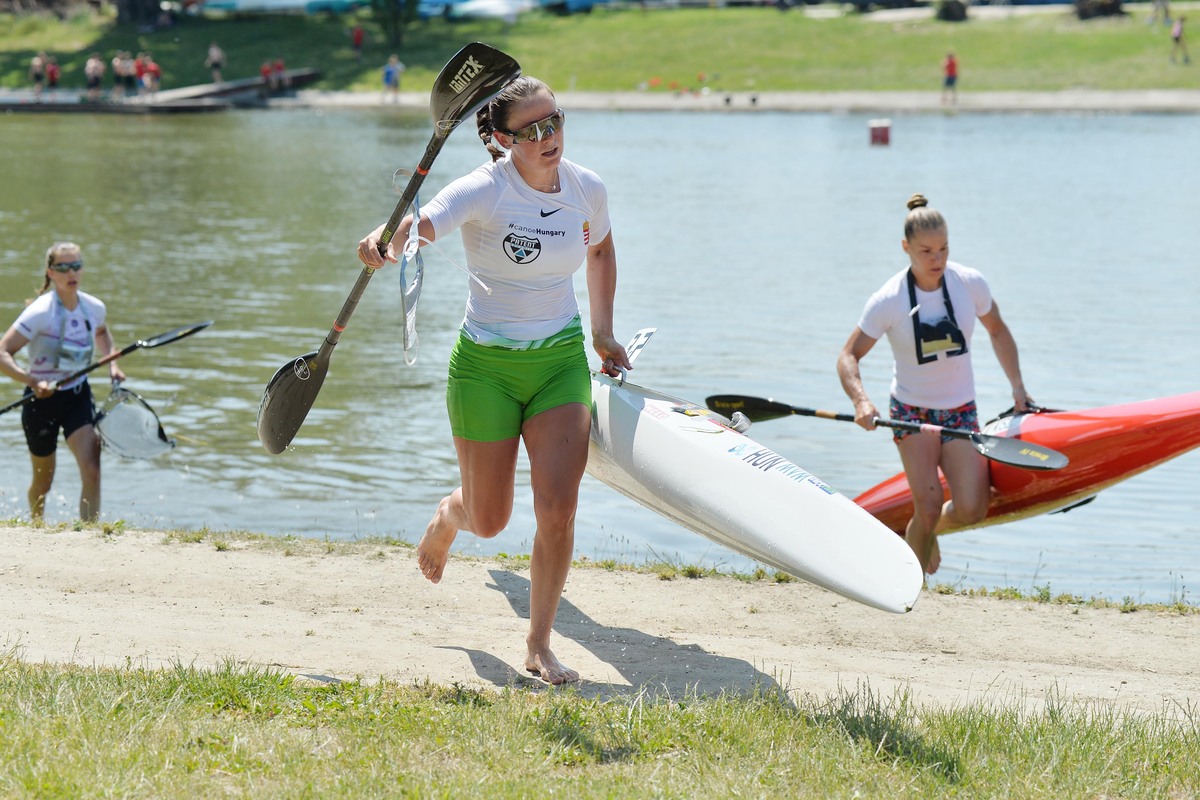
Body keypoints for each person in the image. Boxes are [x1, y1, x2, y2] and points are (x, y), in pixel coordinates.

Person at [355, 76, 630, 685]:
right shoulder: (484, 189)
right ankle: (449, 519)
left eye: (555, 120)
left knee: (558, 509)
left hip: (558, 361)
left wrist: (603, 333)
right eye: (531, 130)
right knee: (490, 519)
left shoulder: (587, 189)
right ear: (504, 140)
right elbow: (421, 224)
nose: (549, 136)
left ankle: (538, 643)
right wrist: (386, 241)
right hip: (486, 368)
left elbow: (602, 252)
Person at [836, 195, 1033, 576]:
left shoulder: (969, 284)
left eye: (943, 249)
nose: (937, 259)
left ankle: (919, 530)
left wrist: (1018, 389)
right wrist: (862, 400)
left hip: (960, 411)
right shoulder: (888, 299)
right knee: (927, 505)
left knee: (973, 509)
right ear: (905, 247)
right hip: (911, 412)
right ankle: (906, 589)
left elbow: (998, 330)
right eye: (926, 251)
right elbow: (848, 356)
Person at [0, 243, 126, 523]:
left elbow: (103, 334)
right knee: (43, 483)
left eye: (77, 265)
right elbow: (2, 353)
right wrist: (32, 380)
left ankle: (89, 534)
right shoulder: (40, 313)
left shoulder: (94, 308)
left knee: (92, 467)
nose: (72, 272)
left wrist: (112, 363)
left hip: (77, 396)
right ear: (50, 272)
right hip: (39, 402)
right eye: (63, 267)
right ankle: (37, 526)